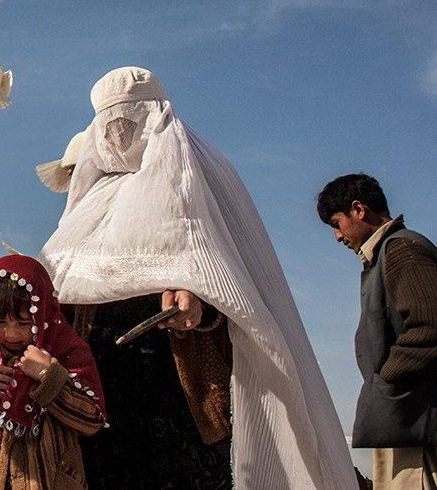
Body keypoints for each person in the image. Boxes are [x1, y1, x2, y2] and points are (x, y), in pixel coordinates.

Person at [39, 66, 357, 490]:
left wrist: (200, 305)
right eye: (109, 125)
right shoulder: (88, 198)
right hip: (104, 390)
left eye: (128, 121)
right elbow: (63, 285)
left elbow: (239, 287)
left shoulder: (203, 177)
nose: (119, 137)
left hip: (183, 396)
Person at [0, 255, 104, 490]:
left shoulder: (67, 351)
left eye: (24, 323)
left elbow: (90, 420)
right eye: (1, 322)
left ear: (42, 312)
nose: (12, 334)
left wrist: (49, 376)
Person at [317, 173, 437, 489]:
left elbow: (430, 328)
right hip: (404, 420)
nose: (337, 237)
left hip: (418, 424)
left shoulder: (402, 250)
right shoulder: (384, 256)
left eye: (336, 223)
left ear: (358, 209)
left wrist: (386, 380)